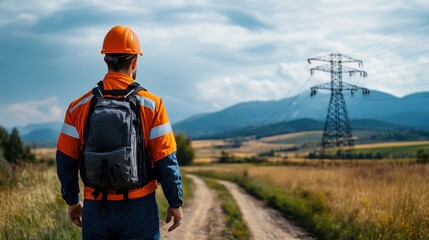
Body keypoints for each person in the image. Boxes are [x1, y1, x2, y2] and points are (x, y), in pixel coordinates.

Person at [56, 25, 183, 240]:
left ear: (105, 60)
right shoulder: (153, 105)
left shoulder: (78, 107)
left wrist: (72, 200)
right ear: (134, 62)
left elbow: (65, 160)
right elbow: (166, 160)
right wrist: (175, 202)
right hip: (139, 207)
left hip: (95, 207)